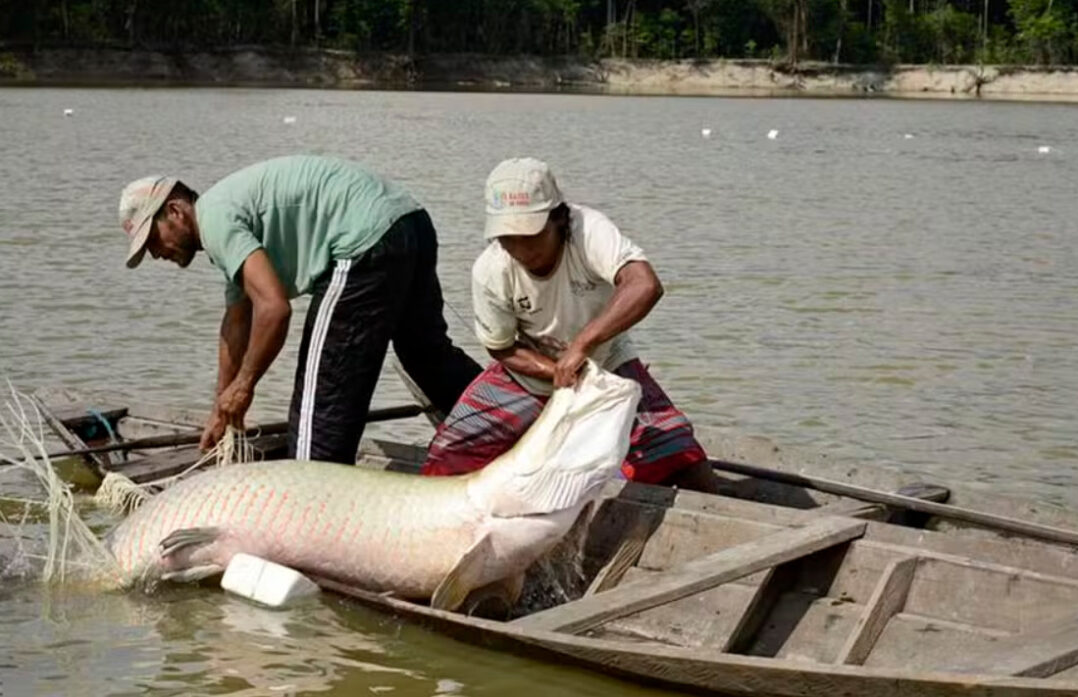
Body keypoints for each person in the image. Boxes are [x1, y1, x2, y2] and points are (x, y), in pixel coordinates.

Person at [118, 154, 481, 463]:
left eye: (153, 239)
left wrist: (244, 386)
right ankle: (505, 420)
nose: (156, 254)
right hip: (410, 221)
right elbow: (237, 320)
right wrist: (220, 408)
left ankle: (314, 503)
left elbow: (274, 310)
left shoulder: (215, 221)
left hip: (363, 241)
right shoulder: (224, 214)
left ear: (176, 211)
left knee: (320, 408)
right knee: (427, 356)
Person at [422, 157, 720, 492]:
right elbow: (502, 348)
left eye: (530, 235)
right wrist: (556, 371)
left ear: (559, 219)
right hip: (527, 375)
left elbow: (644, 284)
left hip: (606, 365)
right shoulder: (490, 269)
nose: (520, 249)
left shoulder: (588, 231)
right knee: (446, 457)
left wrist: (582, 346)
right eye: (508, 237)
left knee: (683, 461)